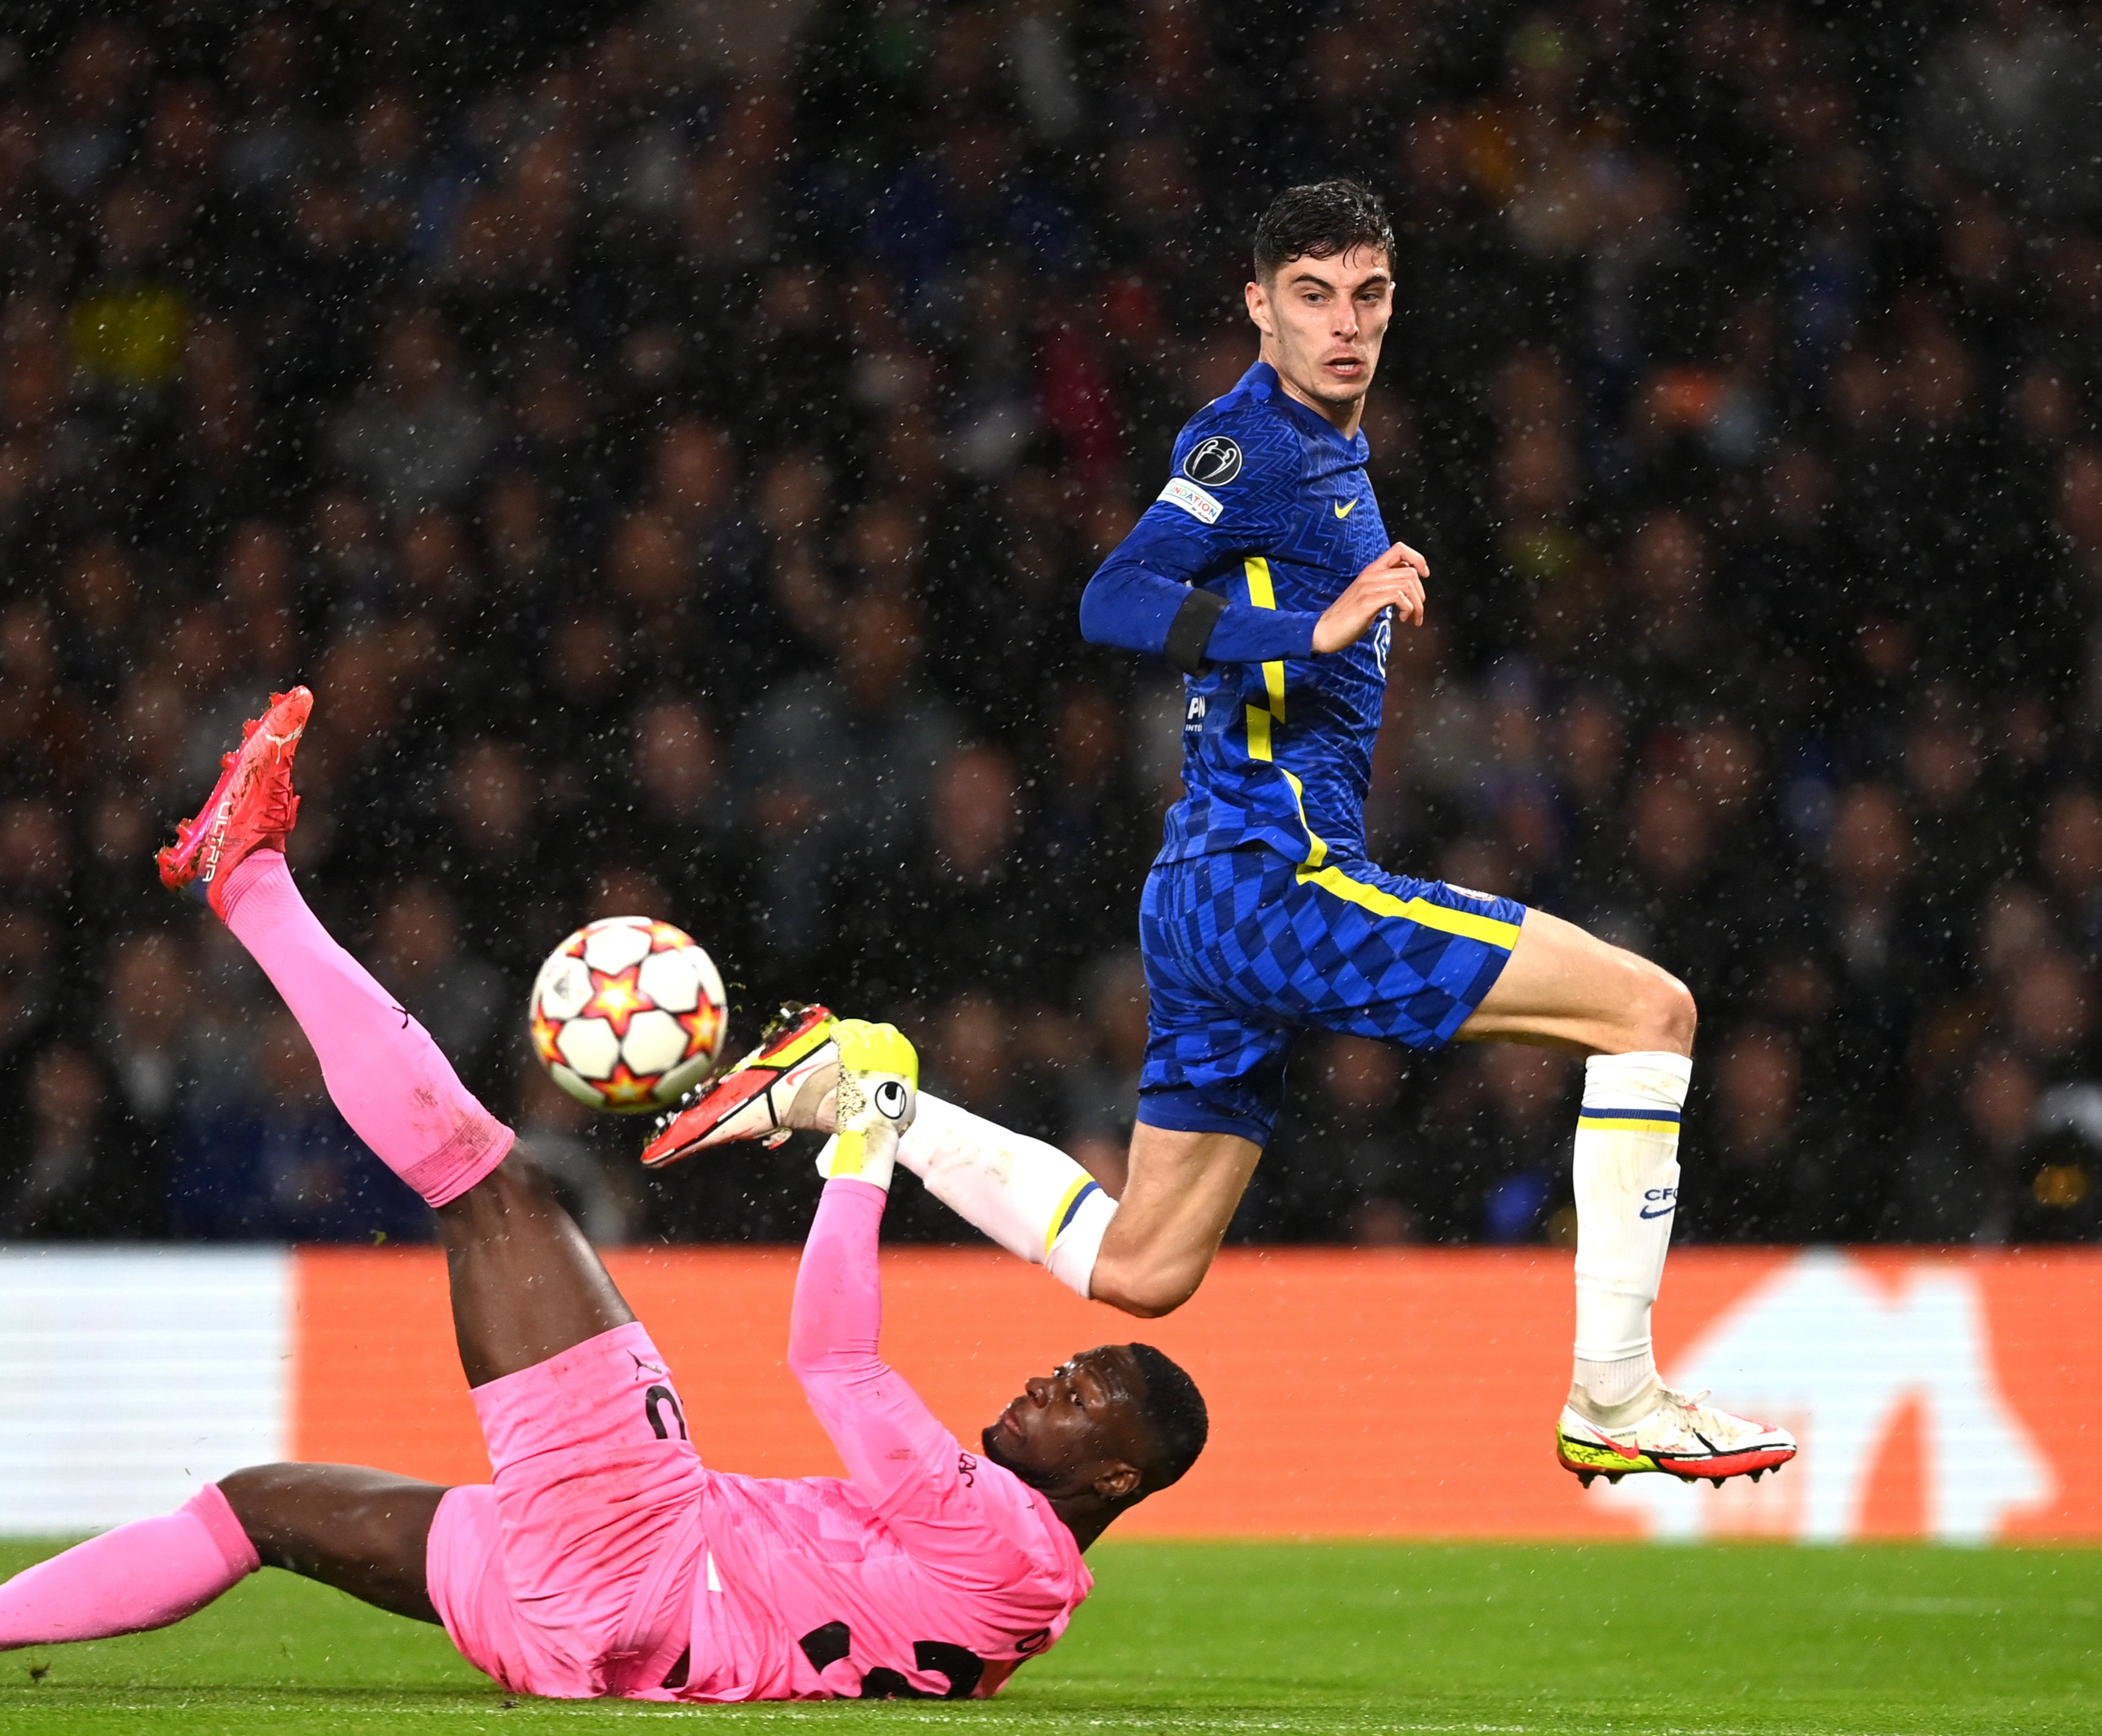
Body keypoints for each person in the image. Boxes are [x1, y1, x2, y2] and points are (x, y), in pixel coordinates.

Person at [646, 181, 1795, 1492]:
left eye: (1365, 294)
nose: (1342, 324)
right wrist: (1298, 632)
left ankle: (865, 1092)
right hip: (1269, 877)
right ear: (1258, 306)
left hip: (1202, 896)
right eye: (1310, 295)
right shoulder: (1248, 446)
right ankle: (1615, 1391)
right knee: (1649, 1013)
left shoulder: (1334, 458)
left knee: (1142, 1268)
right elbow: (1114, 594)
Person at [0, 688, 1207, 1700]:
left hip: (644, 1555)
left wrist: (864, 1139)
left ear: (1117, 1479)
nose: (1046, 1378)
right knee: (261, 1507)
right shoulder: (1027, 1595)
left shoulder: (999, 1530)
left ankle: (243, 875)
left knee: (494, 1189)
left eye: (1082, 1393)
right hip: (580, 1633)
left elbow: (827, 1353)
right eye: (1072, 1357)